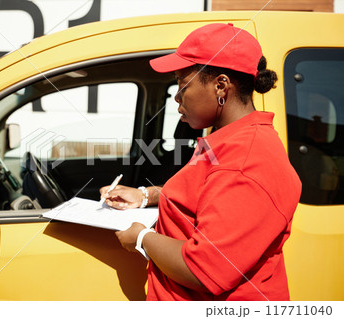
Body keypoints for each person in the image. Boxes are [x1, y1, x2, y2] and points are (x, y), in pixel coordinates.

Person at [99, 23, 302, 301]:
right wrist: (145, 195)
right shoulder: (228, 139)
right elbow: (206, 195)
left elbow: (203, 270)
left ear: (221, 85)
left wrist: (141, 238)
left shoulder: (245, 161)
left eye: (183, 84)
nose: (176, 97)